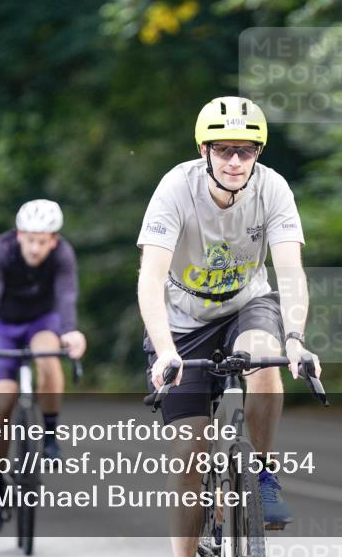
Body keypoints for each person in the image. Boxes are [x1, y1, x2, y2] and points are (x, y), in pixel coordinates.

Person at [137, 96, 322, 557]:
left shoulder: (274, 190)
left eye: (247, 150)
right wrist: (164, 351)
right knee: (188, 457)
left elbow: (291, 274)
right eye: (224, 150)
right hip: (182, 321)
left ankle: (261, 475)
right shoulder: (175, 189)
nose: (236, 160)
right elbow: (150, 278)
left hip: (247, 302)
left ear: (258, 152)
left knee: (264, 356)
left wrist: (296, 340)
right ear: (205, 151)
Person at [0, 199, 87, 533]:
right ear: (19, 235)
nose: (36, 248)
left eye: (43, 241)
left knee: (49, 359)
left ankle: (50, 432)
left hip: (42, 321)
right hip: (4, 327)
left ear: (53, 240)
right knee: (1, 404)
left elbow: (66, 294)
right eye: (30, 239)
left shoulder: (63, 254)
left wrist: (70, 332)